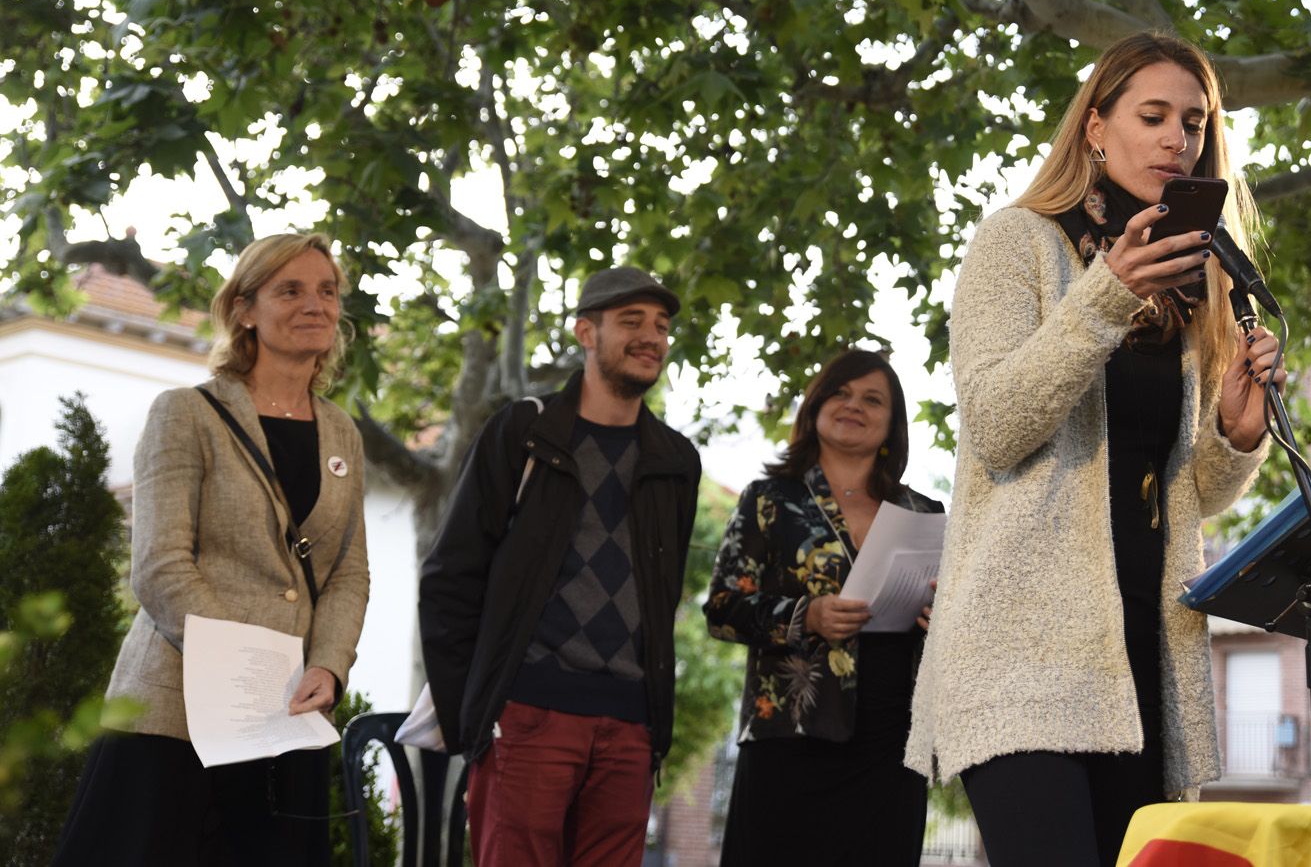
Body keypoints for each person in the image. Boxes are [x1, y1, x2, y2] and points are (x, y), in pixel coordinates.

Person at [905, 31, 1289, 867]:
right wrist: (1109, 294)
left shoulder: (1196, 282)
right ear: (1094, 128)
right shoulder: (1016, 242)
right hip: (1021, 657)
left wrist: (1235, 431)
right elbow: (1000, 425)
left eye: (1193, 121)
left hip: (1143, 653)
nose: (1175, 139)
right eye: (1152, 115)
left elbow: (1192, 492)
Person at [54, 233, 370, 867]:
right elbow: (162, 565)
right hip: (174, 716)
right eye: (291, 290)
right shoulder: (184, 414)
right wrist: (243, 665)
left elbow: (348, 573)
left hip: (286, 720)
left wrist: (329, 667)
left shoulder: (342, 431)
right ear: (245, 309)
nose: (316, 304)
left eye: (327, 291)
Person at [419, 266, 701, 867]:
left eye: (661, 325)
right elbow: (450, 579)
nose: (652, 336)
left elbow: (662, 592)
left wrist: (651, 726)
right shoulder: (523, 430)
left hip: (630, 728)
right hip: (526, 717)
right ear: (586, 333)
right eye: (632, 322)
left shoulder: (676, 459)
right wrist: (472, 722)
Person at [704, 348, 942, 867]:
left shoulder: (924, 511)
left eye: (872, 399)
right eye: (841, 392)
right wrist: (804, 615)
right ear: (814, 407)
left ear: (892, 425)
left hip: (893, 744)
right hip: (791, 735)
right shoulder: (769, 499)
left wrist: (938, 615)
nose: (854, 405)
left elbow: (949, 622)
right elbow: (722, 608)